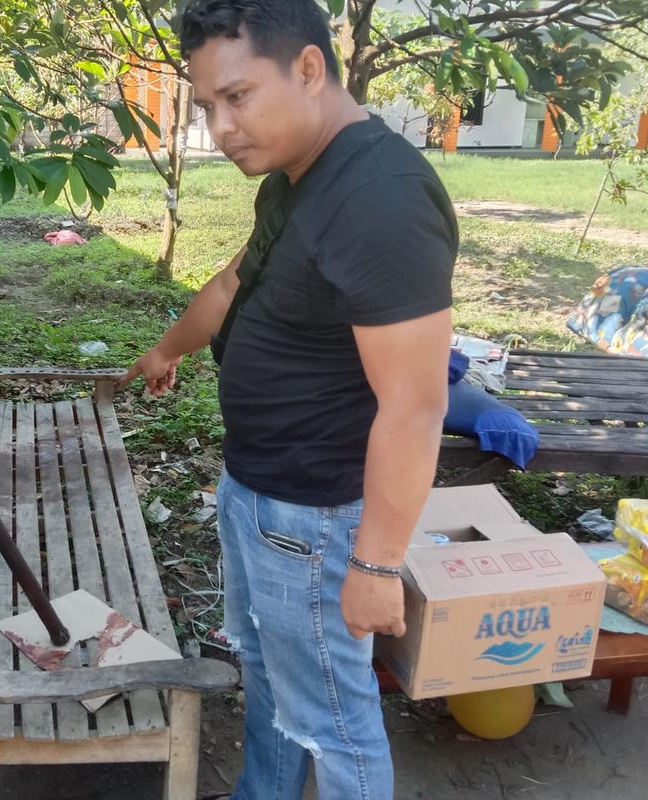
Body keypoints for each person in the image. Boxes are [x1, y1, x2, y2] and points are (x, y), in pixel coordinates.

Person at [121, 2, 457, 798]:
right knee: (271, 683)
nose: (219, 127)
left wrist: (375, 566)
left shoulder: (381, 197)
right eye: (206, 105)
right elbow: (239, 281)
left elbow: (414, 406)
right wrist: (170, 347)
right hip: (259, 495)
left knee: (336, 724)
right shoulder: (297, 177)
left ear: (309, 69)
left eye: (237, 97)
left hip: (318, 518)